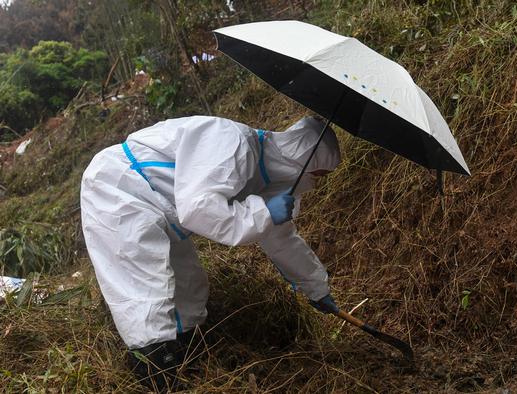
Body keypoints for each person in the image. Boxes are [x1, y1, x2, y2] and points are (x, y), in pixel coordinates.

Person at [80, 115, 341, 392]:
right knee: (145, 291)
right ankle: (157, 375)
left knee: (189, 291)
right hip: (122, 188)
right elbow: (199, 208)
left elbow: (280, 239)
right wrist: (264, 212)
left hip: (166, 212)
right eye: (318, 177)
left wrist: (316, 287)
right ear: (304, 163)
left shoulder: (273, 182)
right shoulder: (232, 143)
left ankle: (185, 359)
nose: (317, 184)